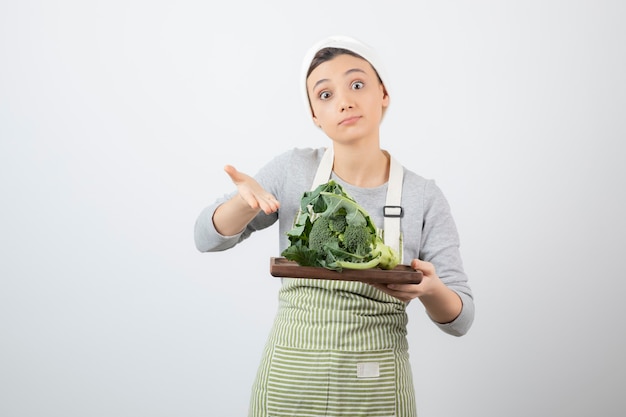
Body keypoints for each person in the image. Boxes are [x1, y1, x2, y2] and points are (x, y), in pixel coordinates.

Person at [194, 35, 474, 417]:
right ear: (314, 115)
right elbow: (205, 239)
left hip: (376, 389)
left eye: (357, 85)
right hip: (289, 386)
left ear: (384, 94)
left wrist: (431, 289)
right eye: (325, 95)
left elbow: (460, 320)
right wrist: (243, 204)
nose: (344, 101)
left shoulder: (423, 196)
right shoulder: (294, 170)